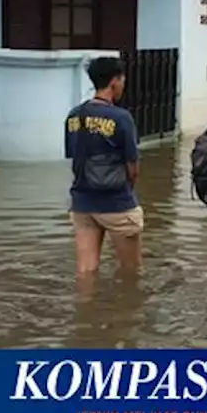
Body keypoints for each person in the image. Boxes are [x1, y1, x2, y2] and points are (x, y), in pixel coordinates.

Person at [65, 57, 142, 280]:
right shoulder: (121, 118)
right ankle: (126, 314)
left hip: (82, 204)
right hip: (116, 203)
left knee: (85, 273)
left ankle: (86, 311)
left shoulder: (73, 116)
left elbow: (74, 157)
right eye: (122, 79)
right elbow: (133, 167)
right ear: (114, 82)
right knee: (131, 273)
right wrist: (127, 193)